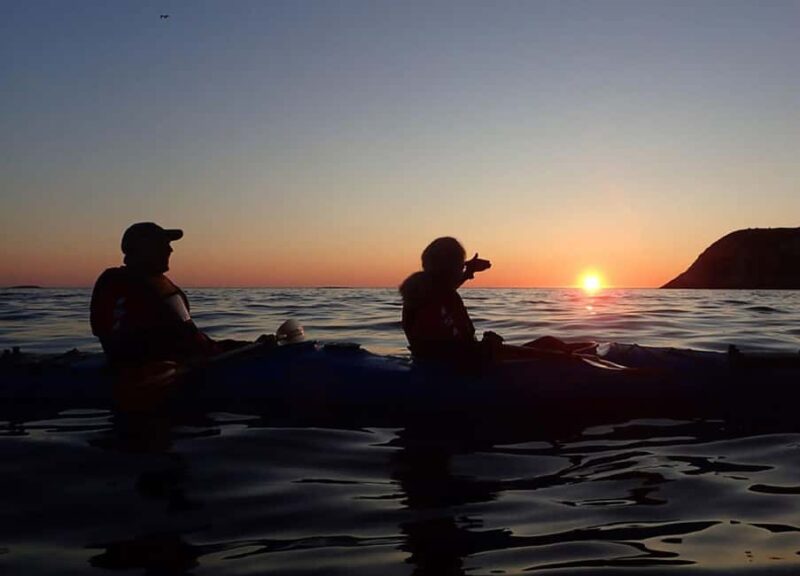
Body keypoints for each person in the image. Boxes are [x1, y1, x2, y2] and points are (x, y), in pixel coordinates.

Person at [399, 237, 592, 364]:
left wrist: (468, 271)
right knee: (556, 354)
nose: (461, 268)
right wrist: (488, 348)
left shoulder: (428, 290)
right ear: (449, 268)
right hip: (459, 368)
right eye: (459, 264)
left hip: (470, 358)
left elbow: (444, 288)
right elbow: (447, 352)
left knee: (550, 342)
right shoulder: (429, 301)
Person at [90, 222, 247, 365]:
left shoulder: (166, 286)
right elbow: (117, 341)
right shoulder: (116, 282)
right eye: (162, 244)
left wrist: (239, 347)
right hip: (156, 372)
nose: (170, 249)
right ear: (143, 249)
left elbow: (190, 335)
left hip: (194, 361)